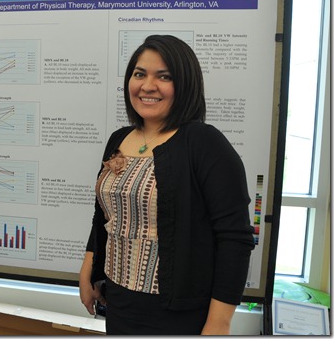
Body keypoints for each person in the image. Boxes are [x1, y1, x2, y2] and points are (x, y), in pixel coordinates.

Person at [79, 34, 255, 335]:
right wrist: (88, 269)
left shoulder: (205, 144)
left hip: (177, 312)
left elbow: (235, 238)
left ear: (185, 84)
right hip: (119, 301)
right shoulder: (119, 139)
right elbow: (104, 216)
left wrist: (219, 322)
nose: (148, 86)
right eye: (139, 74)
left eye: (164, 77)